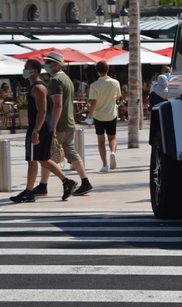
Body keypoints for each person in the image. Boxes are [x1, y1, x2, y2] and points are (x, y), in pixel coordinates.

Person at [10, 59, 78, 203]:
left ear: (34, 70)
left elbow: (42, 111)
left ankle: (31, 191)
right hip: (40, 127)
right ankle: (64, 182)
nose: (24, 70)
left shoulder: (38, 88)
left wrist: (36, 131)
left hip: (39, 127)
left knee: (36, 159)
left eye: (26, 68)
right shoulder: (37, 86)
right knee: (39, 158)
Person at [33, 52, 93, 196]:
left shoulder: (55, 81)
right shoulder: (66, 79)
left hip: (59, 124)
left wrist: (52, 126)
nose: (46, 64)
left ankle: (43, 185)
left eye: (49, 61)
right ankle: (85, 182)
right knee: (71, 153)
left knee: (46, 155)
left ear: (57, 64)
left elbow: (57, 105)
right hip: (69, 122)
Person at [86, 61, 121, 173]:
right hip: (111, 114)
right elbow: (118, 97)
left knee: (101, 140)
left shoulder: (94, 85)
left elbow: (94, 102)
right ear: (108, 69)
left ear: (97, 71)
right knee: (112, 137)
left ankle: (105, 165)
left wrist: (89, 117)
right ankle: (113, 152)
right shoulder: (115, 82)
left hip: (98, 115)